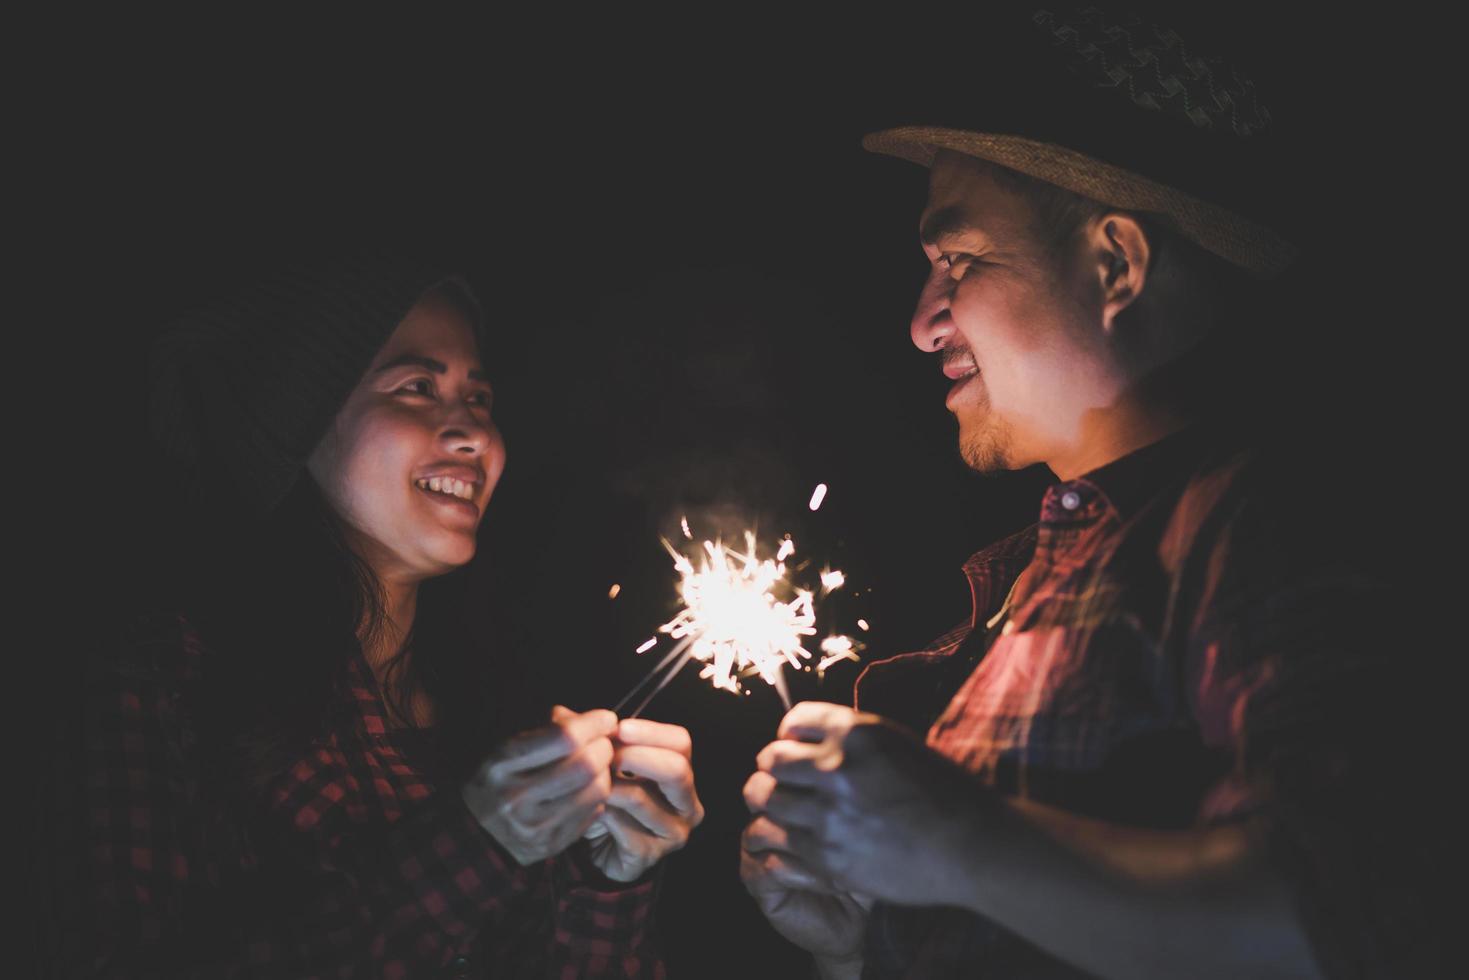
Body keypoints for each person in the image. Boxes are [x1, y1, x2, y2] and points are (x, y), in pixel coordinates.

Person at [739, 9, 1430, 980]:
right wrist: (864, 939)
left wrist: (952, 843)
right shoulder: (1032, 577)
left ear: (1113, 263)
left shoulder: (1264, 517)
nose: (920, 323)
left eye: (957, 262)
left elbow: (1368, 910)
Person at [67, 254, 703, 977]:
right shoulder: (164, 677)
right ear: (298, 428)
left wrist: (607, 883)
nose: (470, 432)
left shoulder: (511, 713)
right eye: (416, 387)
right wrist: (475, 844)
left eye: (480, 398)